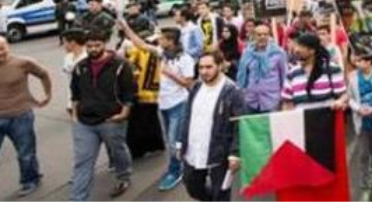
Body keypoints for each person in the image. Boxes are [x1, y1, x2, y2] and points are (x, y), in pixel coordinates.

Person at [119, 22, 195, 191]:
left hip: (179, 104)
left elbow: (188, 84)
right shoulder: (161, 53)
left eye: (161, 38)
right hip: (163, 105)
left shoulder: (185, 59)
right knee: (171, 140)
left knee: (173, 141)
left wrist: (170, 73)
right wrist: (125, 27)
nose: (158, 40)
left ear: (171, 41)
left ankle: (175, 171)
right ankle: (183, 161)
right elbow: (140, 43)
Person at [0, 36, 52, 201]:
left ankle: (31, 180)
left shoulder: (23, 62)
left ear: (8, 47)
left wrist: (47, 94)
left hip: (20, 116)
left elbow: (44, 74)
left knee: (26, 153)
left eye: (1, 48)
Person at [69, 30, 137, 202]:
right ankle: (78, 198)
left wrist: (123, 113)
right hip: (85, 123)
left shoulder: (121, 65)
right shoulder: (80, 67)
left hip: (111, 120)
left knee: (118, 150)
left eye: (97, 45)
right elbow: (75, 94)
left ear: (105, 44)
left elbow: (130, 93)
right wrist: (75, 117)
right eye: (89, 46)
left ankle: (123, 177)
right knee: (83, 161)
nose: (93, 49)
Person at [179, 51, 244, 202]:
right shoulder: (196, 87)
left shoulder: (232, 91)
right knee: (192, 186)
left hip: (219, 152)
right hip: (193, 149)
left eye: (209, 67)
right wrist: (181, 141)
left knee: (220, 193)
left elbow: (239, 123)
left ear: (220, 66)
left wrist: (235, 153)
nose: (204, 71)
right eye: (201, 67)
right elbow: (187, 116)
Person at [118, 24, 165, 160]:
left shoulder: (136, 51)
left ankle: (138, 150)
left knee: (137, 124)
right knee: (151, 121)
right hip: (151, 93)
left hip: (139, 92)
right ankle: (155, 145)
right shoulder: (154, 50)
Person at [281, 33, 347, 110]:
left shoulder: (332, 69)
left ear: (312, 50)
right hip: (302, 120)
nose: (296, 50)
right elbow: (287, 102)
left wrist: (340, 101)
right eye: (296, 46)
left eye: (301, 46)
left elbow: (343, 95)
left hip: (327, 119)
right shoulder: (292, 73)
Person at [348, 53, 372, 192]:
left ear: (369, 62)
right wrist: (358, 109)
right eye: (357, 61)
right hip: (361, 121)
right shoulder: (353, 78)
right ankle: (364, 178)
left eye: (361, 61)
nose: (358, 63)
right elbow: (350, 98)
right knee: (363, 153)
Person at [237, 24, 287, 113]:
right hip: (251, 100)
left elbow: (284, 76)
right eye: (259, 34)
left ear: (269, 36)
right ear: (254, 36)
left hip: (272, 101)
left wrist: (283, 97)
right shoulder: (247, 53)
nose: (262, 37)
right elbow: (243, 75)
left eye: (265, 34)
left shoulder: (278, 53)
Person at [61, 29, 88, 112]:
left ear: (72, 42)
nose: (63, 45)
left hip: (86, 102)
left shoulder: (87, 57)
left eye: (64, 42)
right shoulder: (68, 57)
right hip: (73, 100)